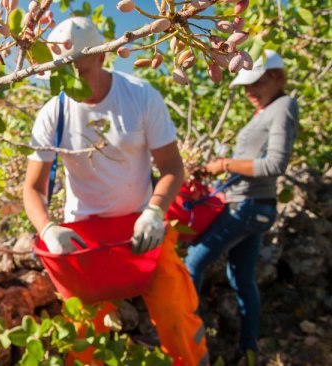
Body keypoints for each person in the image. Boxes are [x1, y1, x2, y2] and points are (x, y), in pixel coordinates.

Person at [23, 17, 209, 366]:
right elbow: (33, 188)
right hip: (85, 238)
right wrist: (48, 230)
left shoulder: (139, 96)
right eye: (60, 72)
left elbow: (171, 167)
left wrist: (154, 212)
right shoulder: (54, 112)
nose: (69, 81)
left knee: (176, 313)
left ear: (102, 58)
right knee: (83, 338)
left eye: (77, 70)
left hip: (142, 226)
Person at [184, 50, 299, 362]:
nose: (249, 92)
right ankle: (247, 351)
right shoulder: (266, 110)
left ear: (277, 77)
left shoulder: (283, 106)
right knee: (241, 279)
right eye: (246, 86)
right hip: (252, 205)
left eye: (255, 83)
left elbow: (275, 164)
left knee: (192, 264)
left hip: (248, 207)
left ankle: (188, 346)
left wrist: (223, 164)